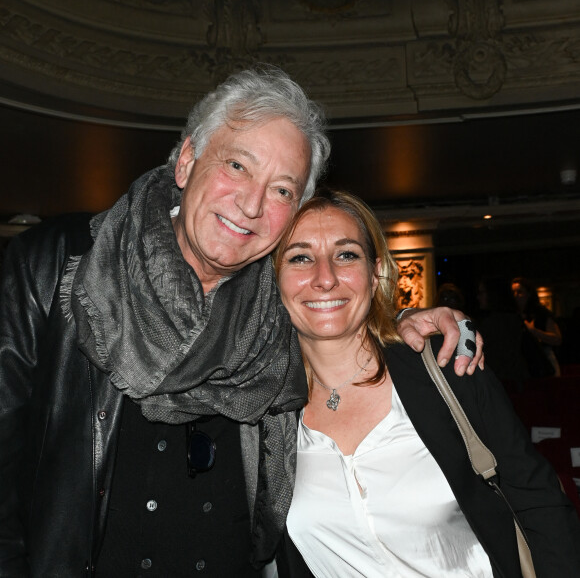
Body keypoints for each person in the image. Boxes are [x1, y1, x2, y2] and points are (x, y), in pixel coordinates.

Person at [0, 66, 482, 577]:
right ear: (186, 162)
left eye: (281, 191)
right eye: (237, 165)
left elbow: (336, 309)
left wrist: (405, 319)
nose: (251, 205)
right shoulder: (63, 266)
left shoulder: (280, 306)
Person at [273, 190, 580, 577]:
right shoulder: (261, 409)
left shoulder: (445, 366)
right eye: (300, 257)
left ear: (375, 272)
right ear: (272, 280)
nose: (325, 277)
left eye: (346, 254)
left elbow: (540, 504)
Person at [474, 275, 530, 387]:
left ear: (492, 294)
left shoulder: (494, 322)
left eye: (482, 293)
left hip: (502, 383)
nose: (478, 297)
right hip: (513, 381)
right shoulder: (512, 318)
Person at [512, 277, 562, 377]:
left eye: (520, 292)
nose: (515, 296)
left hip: (543, 361)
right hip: (522, 364)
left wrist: (533, 331)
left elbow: (557, 339)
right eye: (513, 292)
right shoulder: (512, 315)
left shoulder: (541, 313)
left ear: (529, 294)